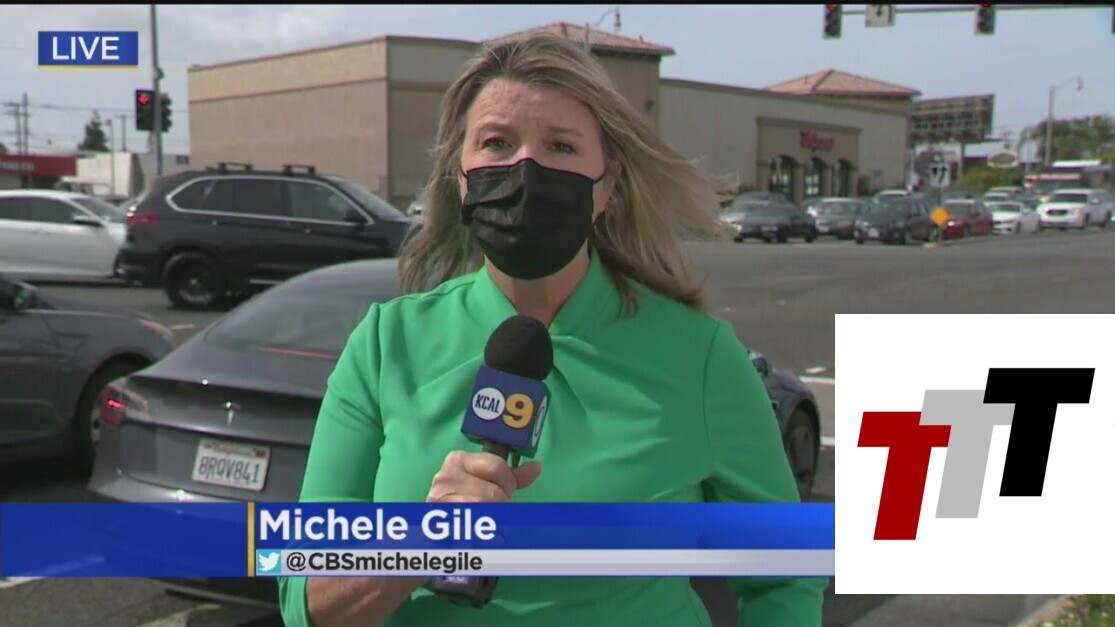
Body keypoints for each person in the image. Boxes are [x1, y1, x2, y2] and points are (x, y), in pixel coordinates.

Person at [278, 34, 827, 627]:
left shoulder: (699, 356)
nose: (526, 169)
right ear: (461, 177)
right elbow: (302, 600)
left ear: (606, 187)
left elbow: (785, 573)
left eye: (561, 146)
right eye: (496, 142)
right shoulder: (387, 345)